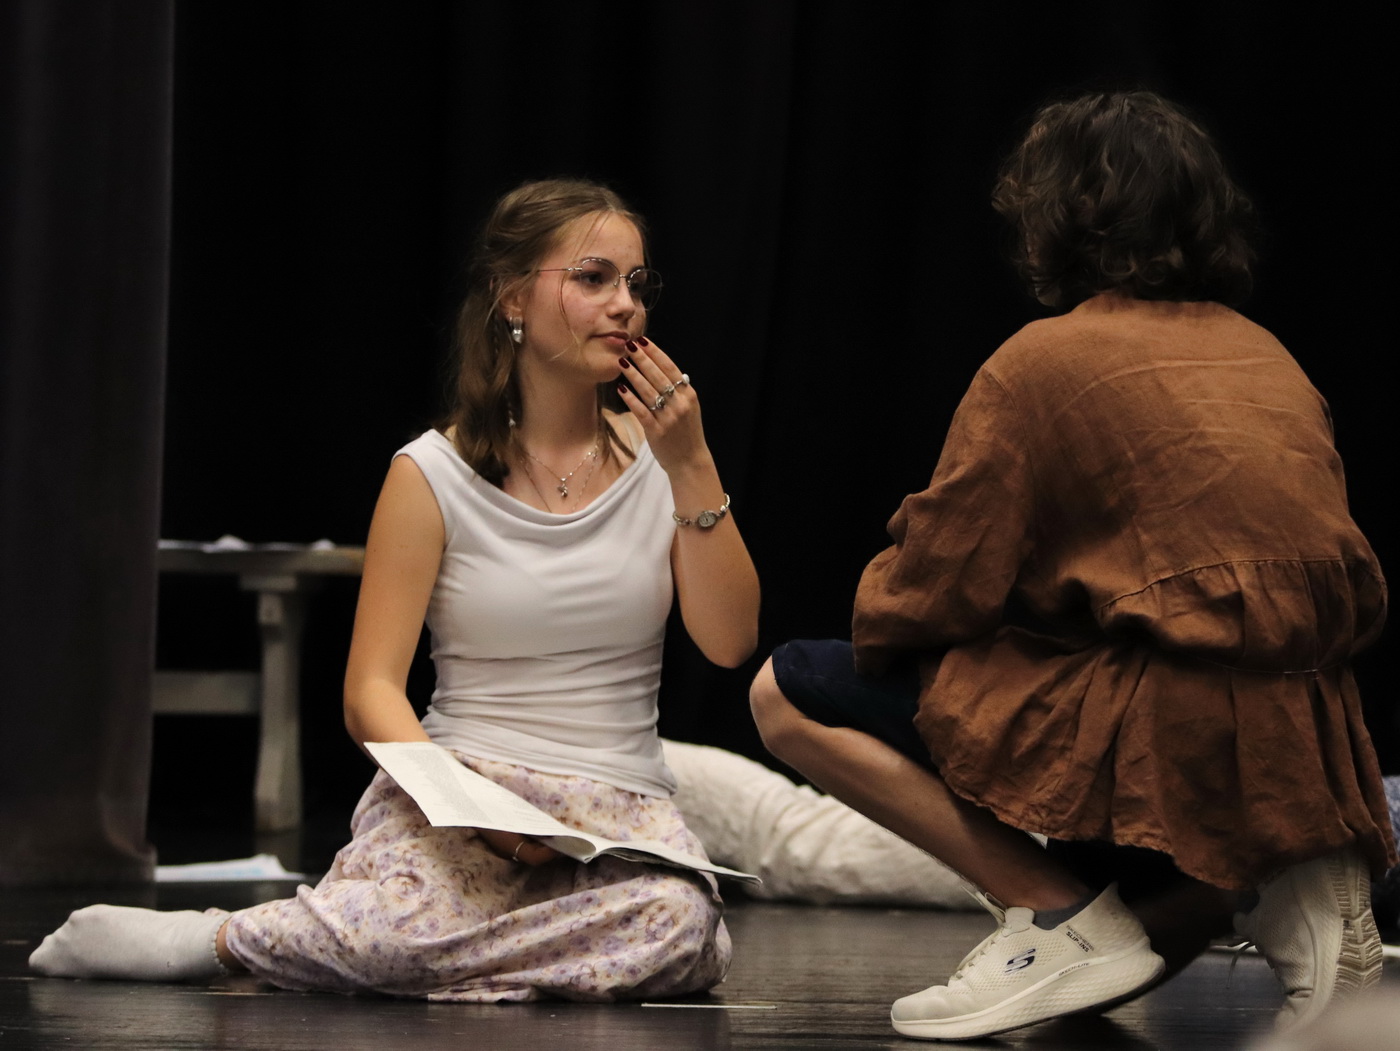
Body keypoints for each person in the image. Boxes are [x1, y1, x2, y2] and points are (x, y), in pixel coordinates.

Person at [749, 91, 1394, 1041]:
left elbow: (934, 585)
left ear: (1057, 216)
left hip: (1165, 733)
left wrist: (897, 630)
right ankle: (1277, 878)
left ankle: (1058, 918)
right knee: (1143, 923)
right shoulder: (1272, 359)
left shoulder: (1042, 362)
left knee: (786, 689)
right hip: (1304, 743)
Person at [31, 178, 760, 1002]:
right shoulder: (430, 474)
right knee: (402, 924)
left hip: (614, 807)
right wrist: (481, 813)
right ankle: (224, 939)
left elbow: (730, 640)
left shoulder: (667, 462)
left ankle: (301, 945)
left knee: (677, 927)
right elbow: (370, 689)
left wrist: (693, 463)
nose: (625, 304)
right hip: (464, 788)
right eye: (594, 277)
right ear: (513, 297)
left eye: (636, 282)